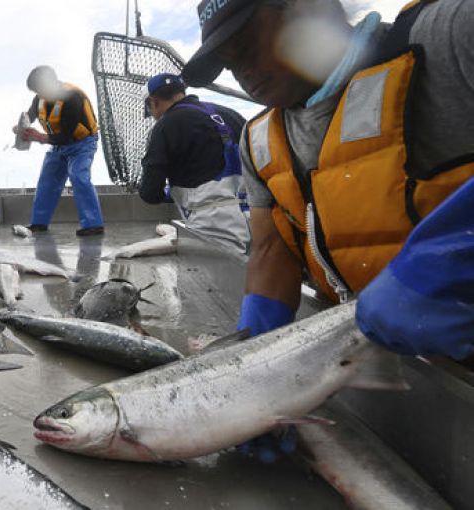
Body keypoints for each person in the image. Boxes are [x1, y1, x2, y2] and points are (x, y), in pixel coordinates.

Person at [182, 0, 474, 459]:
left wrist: (456, 252)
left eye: (244, 43)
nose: (239, 69)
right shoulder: (257, 141)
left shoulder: (450, 36)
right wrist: (256, 378)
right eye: (226, 60)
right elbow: (270, 249)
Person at [139, 73, 250, 254]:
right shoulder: (231, 114)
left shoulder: (165, 125)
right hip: (260, 222)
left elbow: (150, 193)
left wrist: (166, 194)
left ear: (153, 101)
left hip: (214, 226)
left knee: (216, 279)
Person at [16, 66, 105, 236]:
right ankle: (39, 224)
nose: (39, 94)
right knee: (47, 181)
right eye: (36, 91)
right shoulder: (39, 99)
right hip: (58, 145)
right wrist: (21, 128)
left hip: (82, 143)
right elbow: (29, 116)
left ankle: (94, 225)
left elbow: (66, 135)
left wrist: (39, 137)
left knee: (79, 176)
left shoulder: (72, 97)